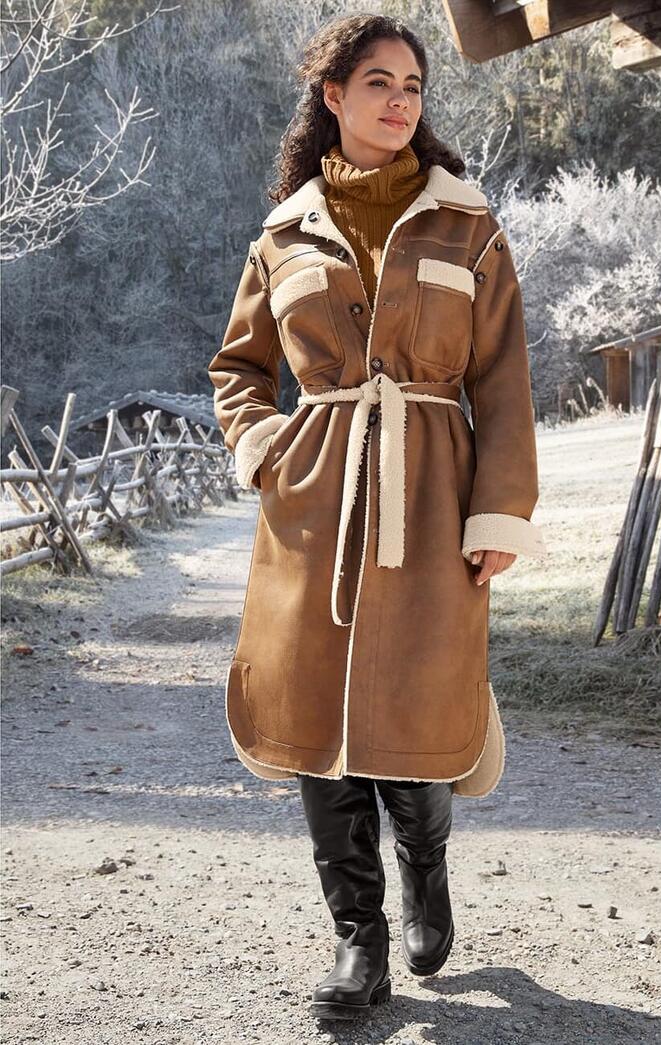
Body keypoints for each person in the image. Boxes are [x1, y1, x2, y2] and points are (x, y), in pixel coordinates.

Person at [208, 14, 547, 1022]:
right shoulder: (283, 234)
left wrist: (498, 512)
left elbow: (503, 378)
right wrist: (266, 450)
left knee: (421, 698)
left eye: (412, 85)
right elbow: (238, 369)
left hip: (432, 495)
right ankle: (358, 939)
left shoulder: (467, 226)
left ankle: (424, 868)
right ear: (333, 96)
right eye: (378, 83)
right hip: (314, 505)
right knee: (314, 712)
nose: (399, 101)